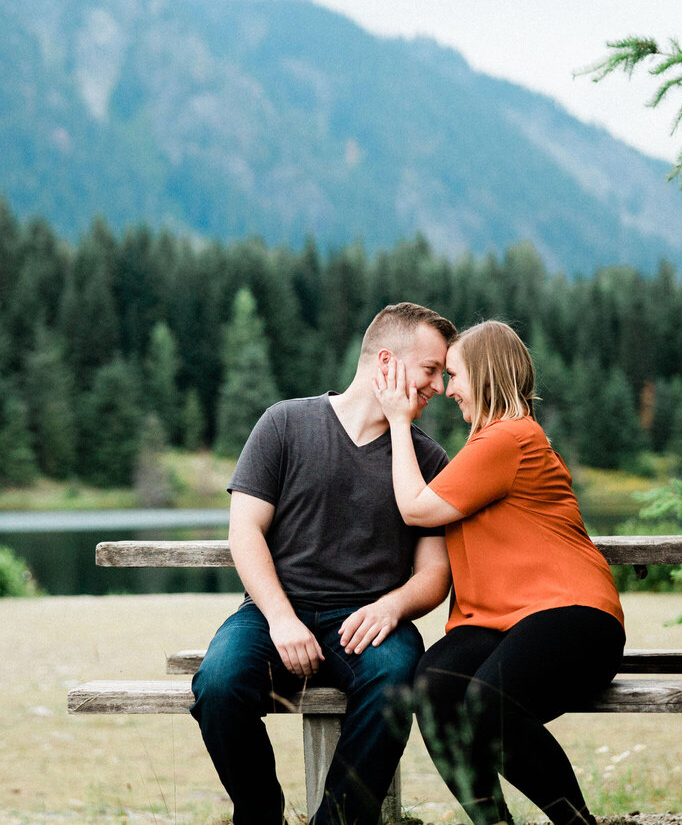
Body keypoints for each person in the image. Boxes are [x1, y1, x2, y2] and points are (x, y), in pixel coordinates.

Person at [191, 302, 458, 825]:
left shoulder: (427, 459)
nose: (441, 388)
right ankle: (261, 815)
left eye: (445, 376)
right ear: (387, 361)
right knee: (219, 685)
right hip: (274, 612)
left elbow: (435, 574)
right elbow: (245, 531)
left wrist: (393, 607)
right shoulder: (285, 423)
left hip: (367, 622)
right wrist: (282, 618)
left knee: (397, 681)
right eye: (432, 371)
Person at [373, 319, 624, 825]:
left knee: (488, 704)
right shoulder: (485, 447)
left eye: (456, 374)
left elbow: (418, 509)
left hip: (574, 615)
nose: (447, 390)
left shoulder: (510, 438)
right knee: (435, 687)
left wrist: (399, 422)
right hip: (503, 622)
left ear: (485, 376)